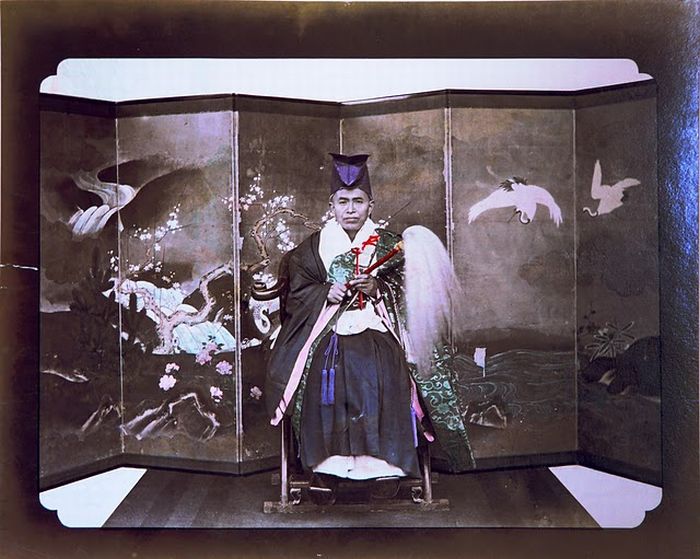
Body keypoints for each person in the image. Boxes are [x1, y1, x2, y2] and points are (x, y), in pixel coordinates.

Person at [265, 153, 474, 504]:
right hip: (326, 329)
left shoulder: (390, 244)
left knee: (383, 365)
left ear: (371, 205)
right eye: (343, 202)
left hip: (376, 325)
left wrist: (379, 288)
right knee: (321, 370)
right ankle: (325, 470)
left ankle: (384, 468)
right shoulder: (312, 249)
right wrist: (324, 293)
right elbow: (297, 293)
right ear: (331, 205)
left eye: (358, 201)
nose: (350, 209)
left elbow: (412, 293)